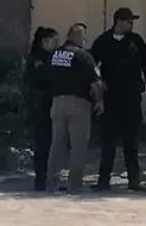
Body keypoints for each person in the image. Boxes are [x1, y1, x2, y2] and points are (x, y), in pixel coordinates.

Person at [90, 7, 146, 191]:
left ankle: (134, 180)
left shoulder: (136, 41)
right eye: (128, 21)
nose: (131, 24)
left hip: (131, 96)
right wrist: (98, 82)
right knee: (108, 141)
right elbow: (92, 64)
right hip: (110, 97)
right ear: (118, 21)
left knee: (131, 141)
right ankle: (103, 181)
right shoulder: (103, 41)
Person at [37, 24, 105, 193]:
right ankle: (75, 184)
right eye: (83, 37)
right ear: (78, 37)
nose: (85, 40)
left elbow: (44, 77)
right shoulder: (83, 56)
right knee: (78, 145)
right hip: (78, 104)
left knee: (57, 145)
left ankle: (52, 182)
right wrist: (99, 101)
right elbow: (96, 83)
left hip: (57, 102)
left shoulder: (54, 55)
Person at [25, 27, 60, 191]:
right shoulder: (37, 59)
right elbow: (41, 79)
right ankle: (41, 179)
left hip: (49, 104)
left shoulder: (50, 57)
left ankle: (50, 177)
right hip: (41, 105)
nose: (56, 45)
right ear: (44, 42)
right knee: (43, 144)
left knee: (53, 143)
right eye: (54, 42)